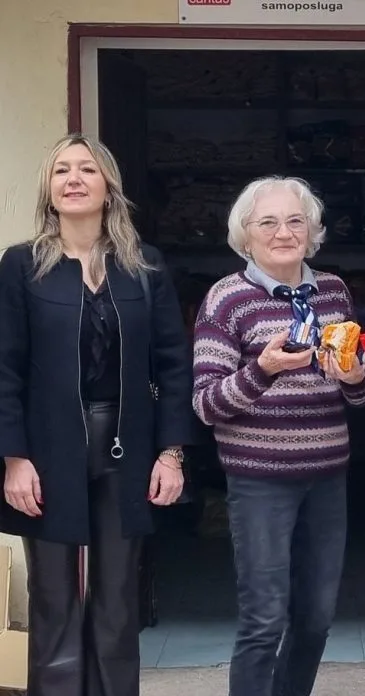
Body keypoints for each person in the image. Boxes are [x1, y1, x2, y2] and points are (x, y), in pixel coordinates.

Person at [0, 134, 195, 696]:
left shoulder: (144, 266)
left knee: (116, 605)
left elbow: (173, 364)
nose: (74, 179)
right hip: (47, 453)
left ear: (108, 186)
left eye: (87, 169)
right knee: (53, 602)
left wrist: (171, 453)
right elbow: (5, 366)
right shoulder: (22, 266)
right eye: (61, 170)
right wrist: (13, 458)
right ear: (49, 189)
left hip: (126, 448)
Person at [191, 176, 365, 696]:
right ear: (245, 235)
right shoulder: (226, 299)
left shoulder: (334, 292)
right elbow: (205, 404)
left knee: (316, 618)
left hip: (327, 478)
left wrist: (355, 377)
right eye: (268, 223)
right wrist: (263, 370)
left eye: (296, 221)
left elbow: (363, 396)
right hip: (259, 482)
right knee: (264, 620)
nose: (283, 233)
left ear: (312, 231)